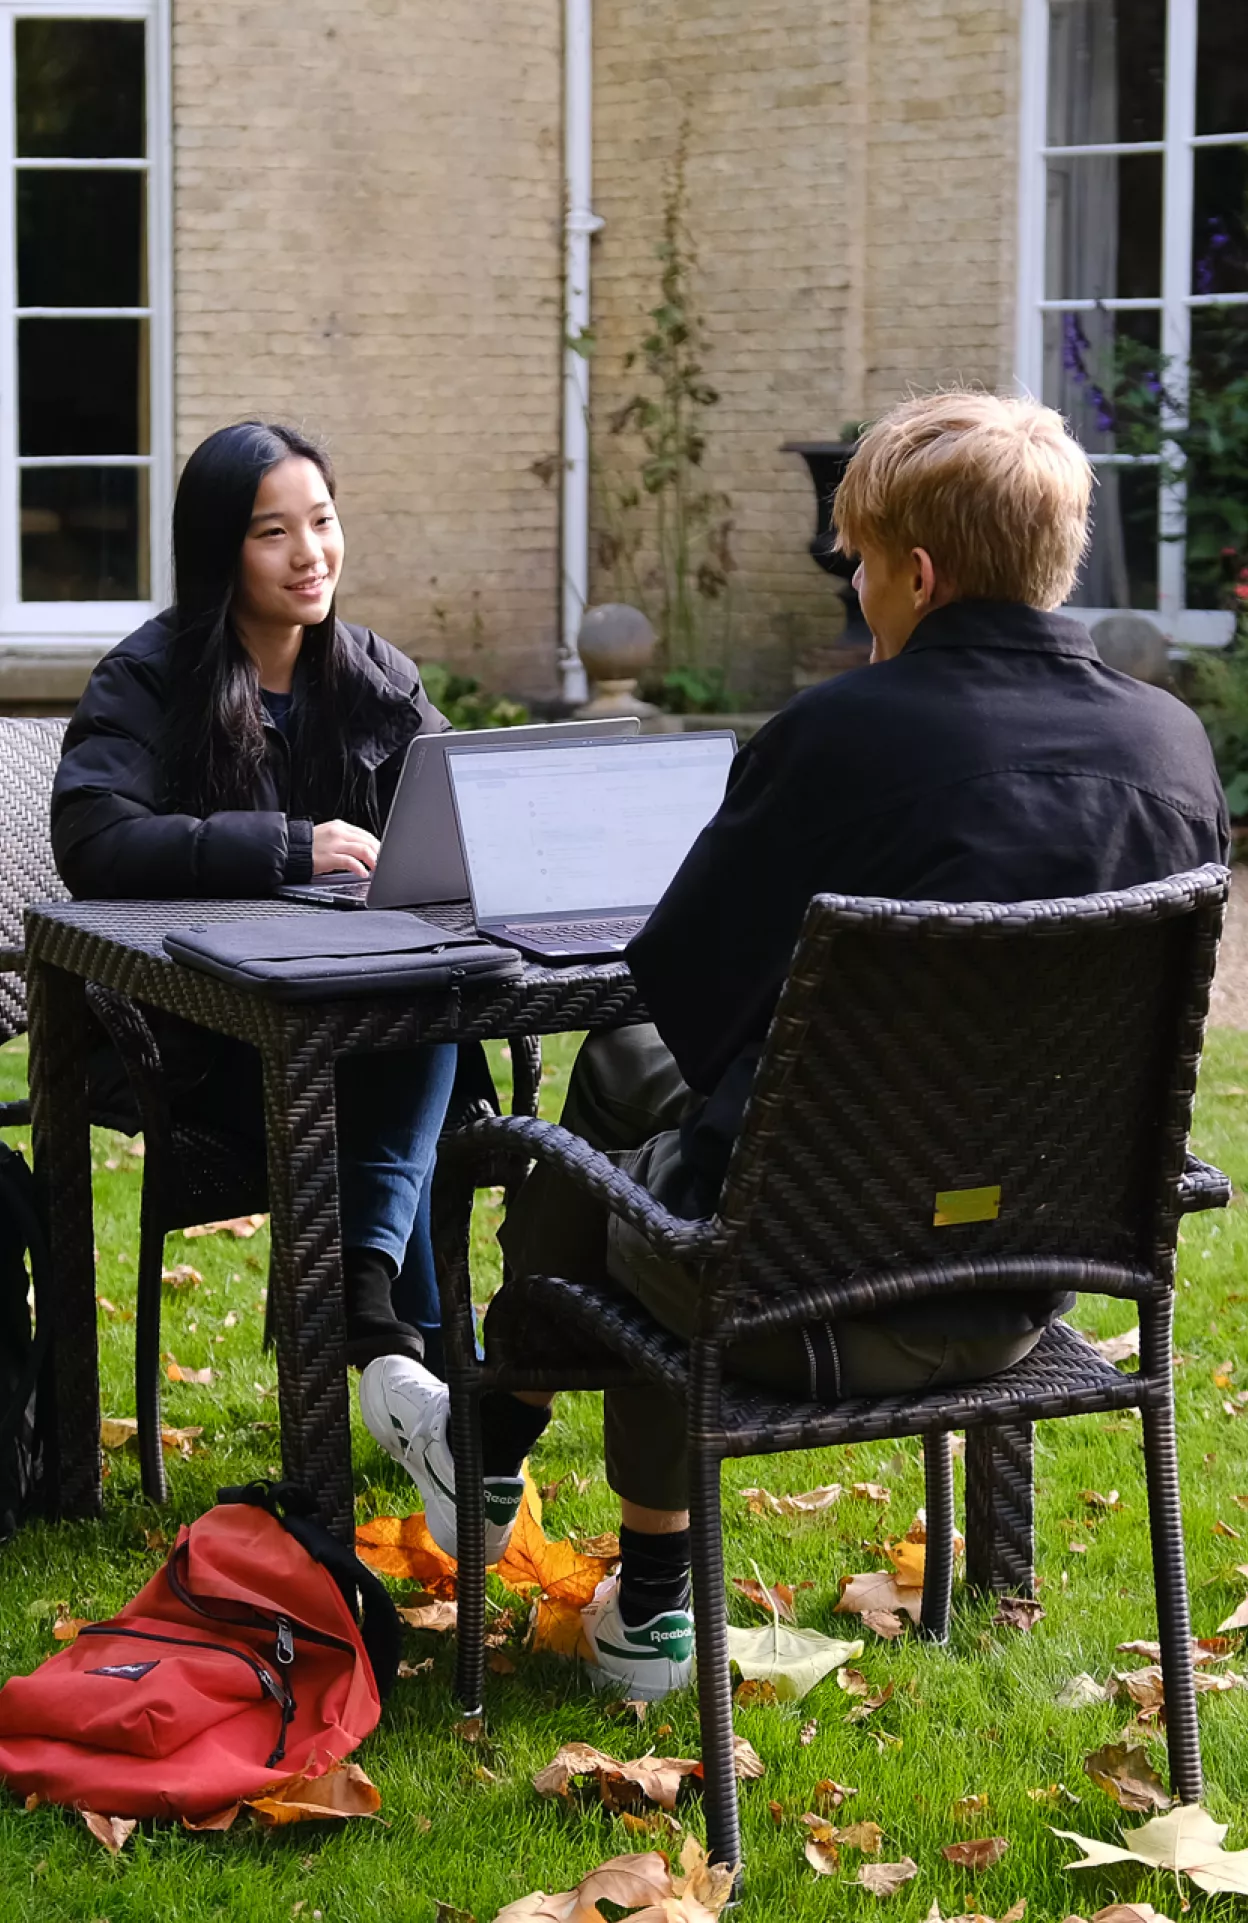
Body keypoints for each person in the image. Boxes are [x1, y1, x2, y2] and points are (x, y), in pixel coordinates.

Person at [358, 389, 1230, 1695]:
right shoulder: (1171, 746)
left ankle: (550, 1510)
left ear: (920, 573)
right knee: (647, 1139)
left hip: (789, 1291)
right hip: (1028, 1283)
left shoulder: (834, 738)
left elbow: (691, 1005)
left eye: (863, 563)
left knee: (621, 1132)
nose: (861, 590)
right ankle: (532, 1506)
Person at [52, 420, 460, 1370]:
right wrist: (292, 845)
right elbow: (95, 838)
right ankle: (428, 1361)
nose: (310, 553)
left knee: (426, 1007)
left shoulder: (373, 673)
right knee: (408, 1036)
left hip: (358, 1012)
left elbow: (454, 806)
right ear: (217, 549)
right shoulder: (149, 679)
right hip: (208, 1032)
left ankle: (371, 1309)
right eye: (272, 532)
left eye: (322, 520)